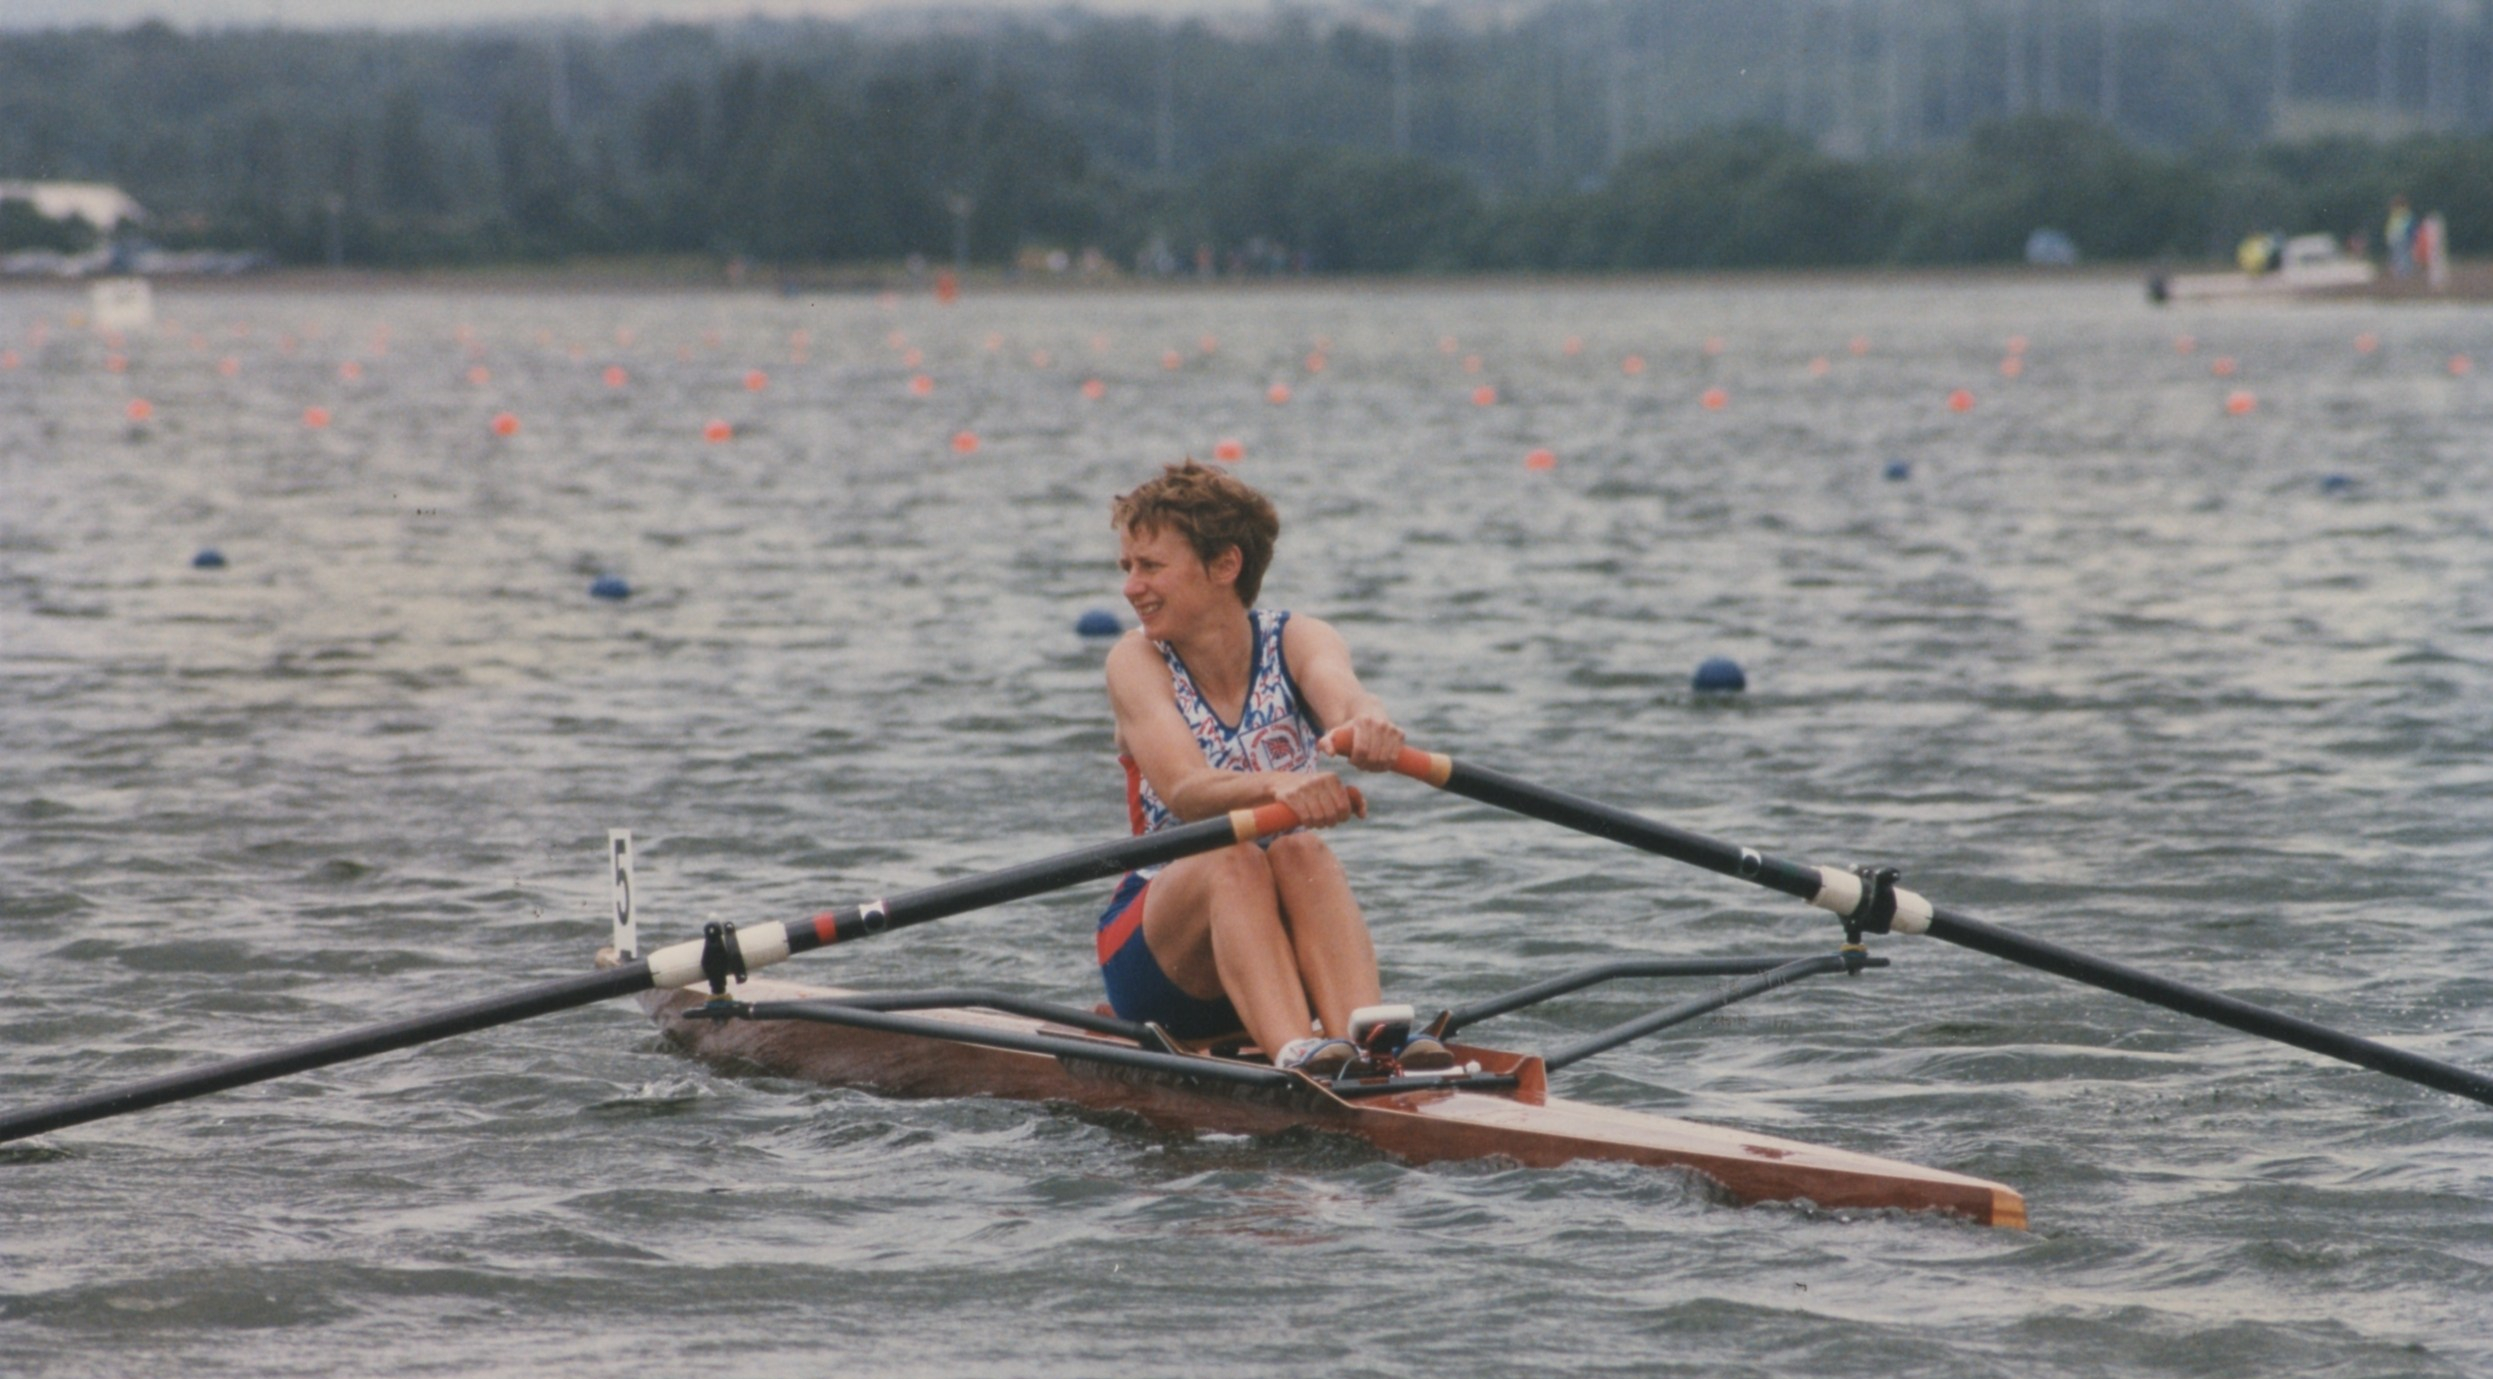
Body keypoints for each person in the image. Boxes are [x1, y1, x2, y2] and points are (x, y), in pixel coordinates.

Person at [1095, 460, 1452, 1078]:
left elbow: (1345, 697)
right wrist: (1278, 783)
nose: (1131, 587)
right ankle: (1298, 1054)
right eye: (1128, 567)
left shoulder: (1297, 638)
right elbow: (1184, 790)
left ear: (1225, 566)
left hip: (1270, 933)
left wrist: (1368, 722)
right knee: (1234, 856)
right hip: (1161, 955)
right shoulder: (1136, 661)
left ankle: (1368, 1042)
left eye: (1150, 566)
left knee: (1300, 851)